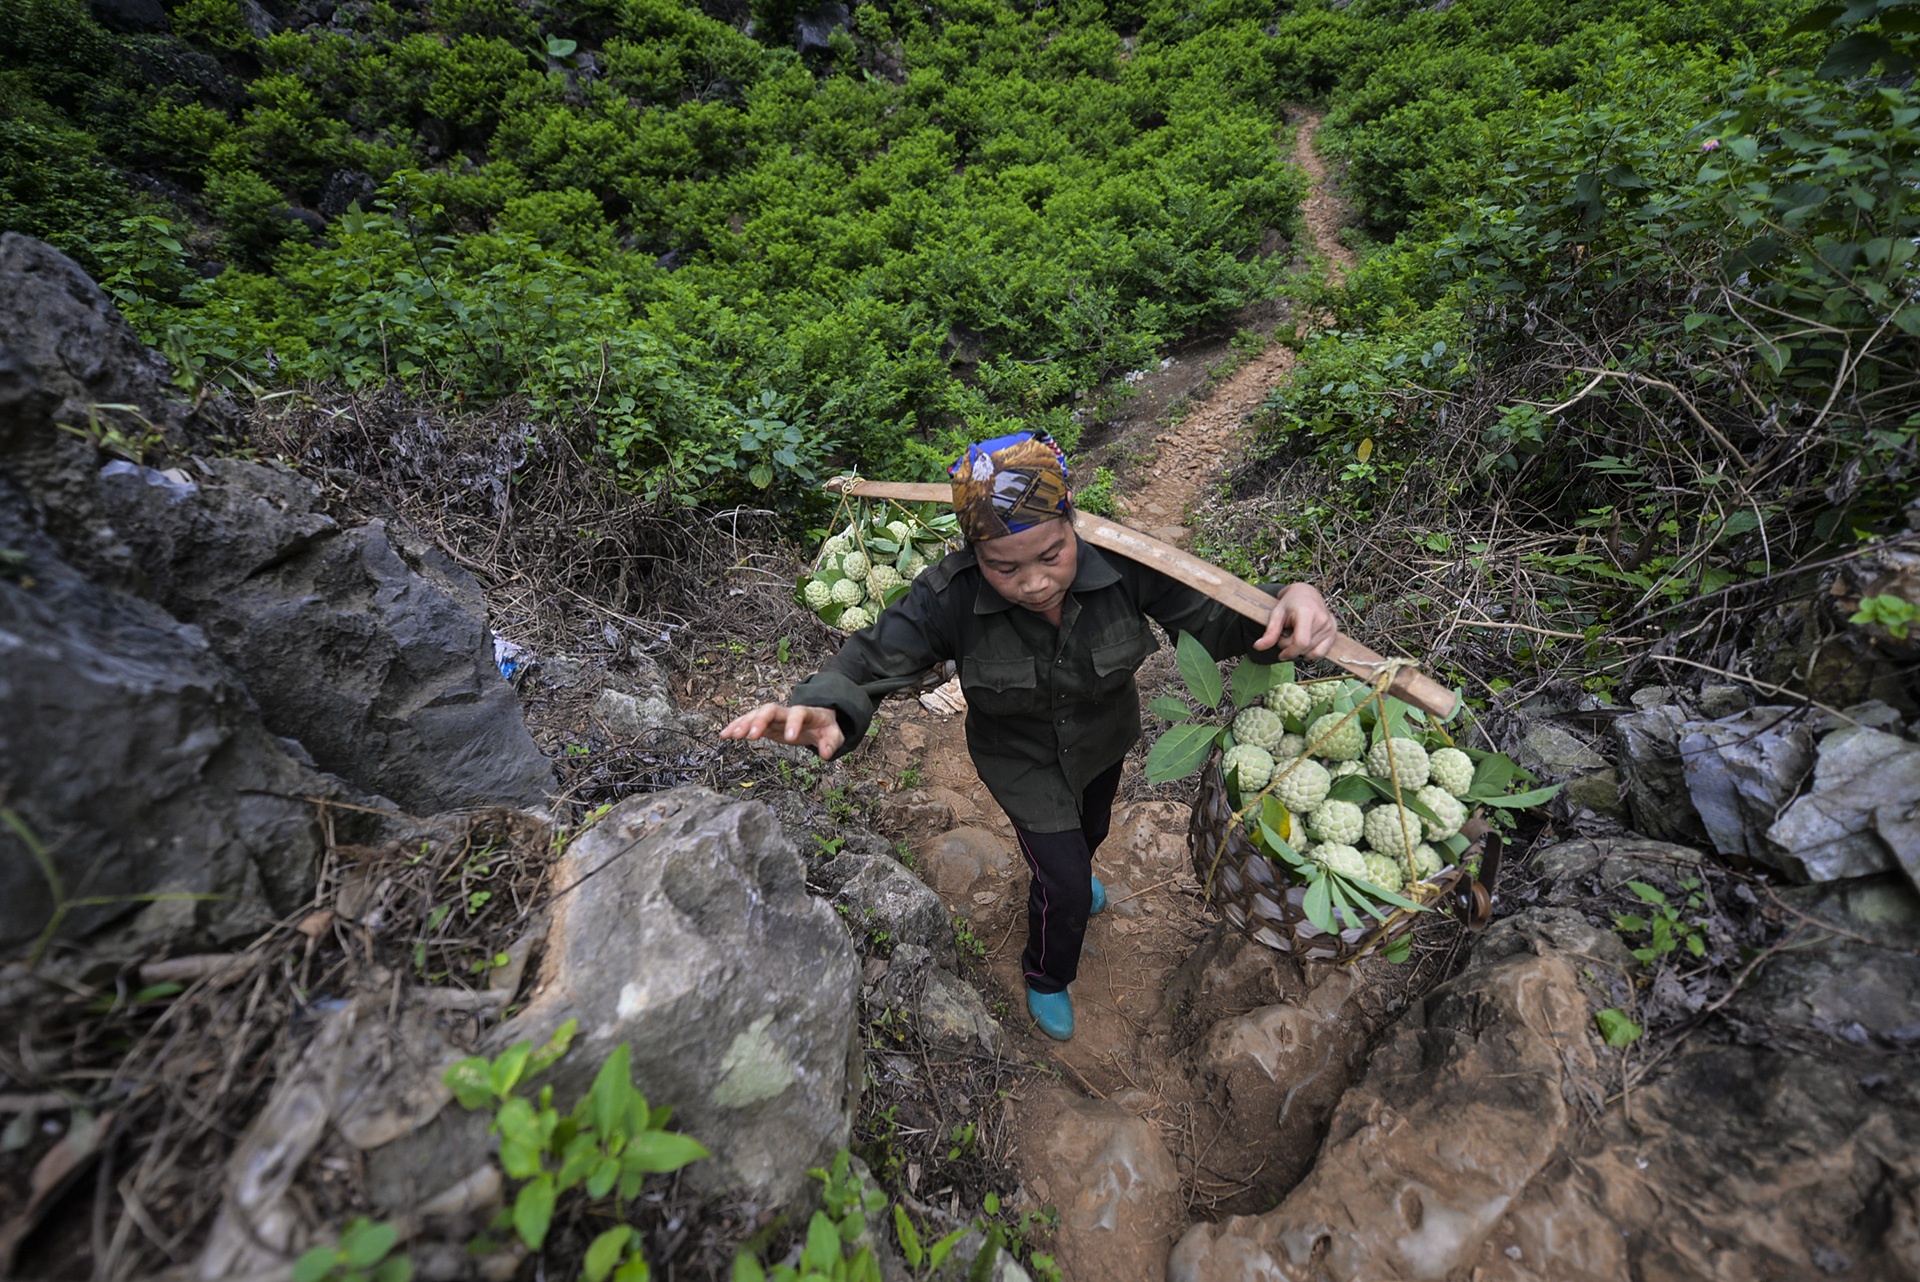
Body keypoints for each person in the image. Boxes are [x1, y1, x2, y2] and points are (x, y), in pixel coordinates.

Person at [721, 431, 1338, 1040]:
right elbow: (871, 658)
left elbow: (1216, 616)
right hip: (1019, 760)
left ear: (1072, 522)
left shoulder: (1125, 564)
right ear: (974, 552)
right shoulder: (948, 597)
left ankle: (1070, 876)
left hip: (1101, 741)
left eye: (1051, 556)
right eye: (1004, 567)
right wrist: (827, 705)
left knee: (1091, 831)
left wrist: (1290, 601)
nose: (1035, 582)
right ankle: (1047, 972)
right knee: (1065, 883)